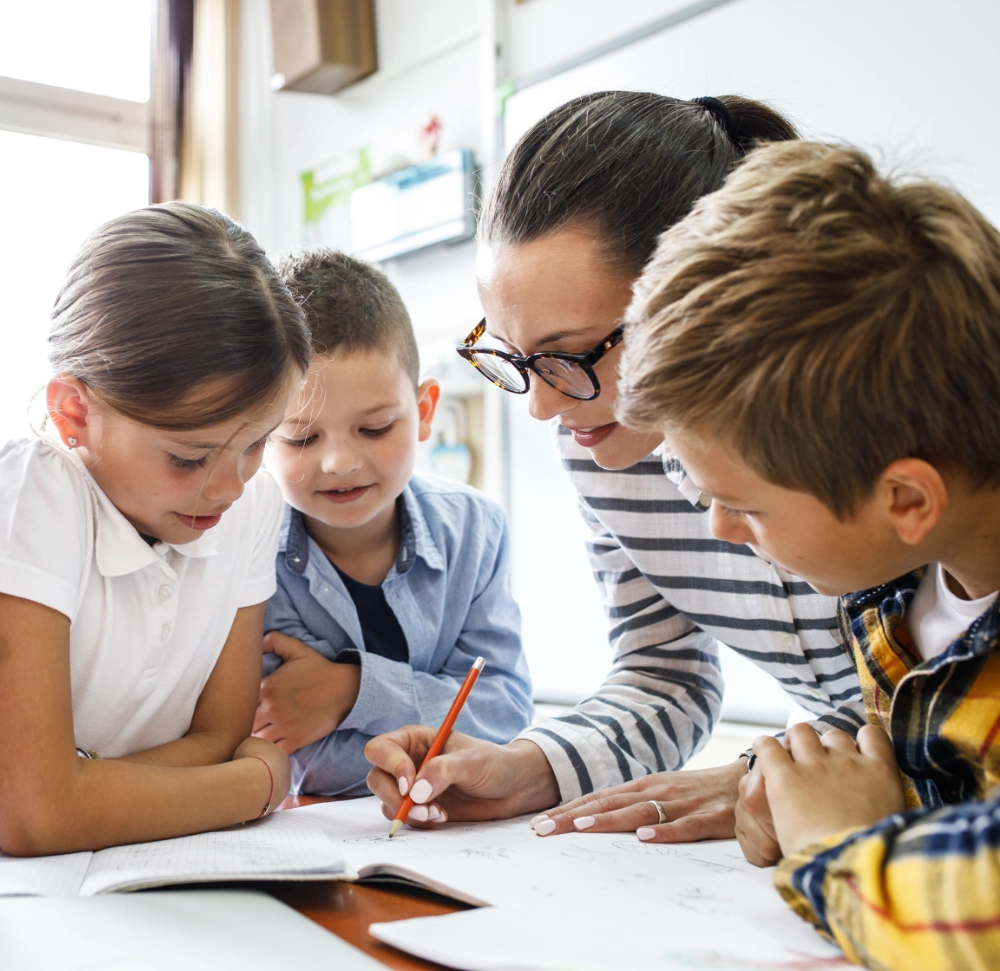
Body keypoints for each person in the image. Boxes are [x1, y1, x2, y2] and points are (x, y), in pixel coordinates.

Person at [364, 91, 864, 839]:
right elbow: (665, 672)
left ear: (700, 297)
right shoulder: (600, 440)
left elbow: (950, 697)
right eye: (512, 355)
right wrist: (527, 765)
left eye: (568, 355)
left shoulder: (878, 420)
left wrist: (764, 775)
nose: (541, 407)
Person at [617, 139, 1000, 968]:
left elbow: (978, 914)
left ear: (905, 500)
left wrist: (833, 839)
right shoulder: (900, 592)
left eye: (743, 504)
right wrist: (800, 788)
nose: (718, 527)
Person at [0, 203, 311, 855]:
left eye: (257, 444)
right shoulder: (36, 489)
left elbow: (219, 735)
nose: (228, 486)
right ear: (73, 411)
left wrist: (81, 786)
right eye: (188, 458)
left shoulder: (253, 505)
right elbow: (30, 814)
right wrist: (256, 782)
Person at [253, 250, 532, 797]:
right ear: (258, 433)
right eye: (302, 438)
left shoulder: (475, 530)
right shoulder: (250, 551)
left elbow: (503, 712)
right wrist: (437, 730)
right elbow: (294, 754)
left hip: (456, 833)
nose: (340, 463)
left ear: (425, 411)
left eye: (375, 428)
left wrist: (354, 692)